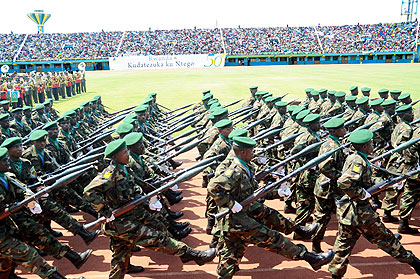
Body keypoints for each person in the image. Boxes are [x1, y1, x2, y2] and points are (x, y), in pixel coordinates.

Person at [84, 139, 217, 279]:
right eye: (123, 153)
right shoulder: (110, 174)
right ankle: (191, 254)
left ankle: (123, 268)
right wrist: (105, 211)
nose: (127, 154)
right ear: (114, 157)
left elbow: (134, 189)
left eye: (126, 151)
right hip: (119, 222)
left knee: (123, 251)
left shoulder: (125, 169)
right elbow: (89, 191)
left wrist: (149, 201)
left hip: (130, 215)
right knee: (157, 238)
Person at [208, 136, 334, 279]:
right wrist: (231, 203)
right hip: (237, 221)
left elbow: (255, 194)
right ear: (242, 152)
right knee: (273, 239)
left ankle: (224, 275)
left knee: (231, 256)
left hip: (237, 220)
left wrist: (277, 192)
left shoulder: (246, 167)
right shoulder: (235, 170)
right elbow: (213, 187)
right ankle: (310, 258)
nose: (253, 153)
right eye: (251, 150)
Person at [328, 129, 420, 278]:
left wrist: (388, 184)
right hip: (362, 215)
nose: (373, 145)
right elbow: (344, 183)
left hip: (348, 214)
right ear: (364, 147)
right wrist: (362, 194)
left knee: (343, 246)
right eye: (371, 143)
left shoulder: (357, 157)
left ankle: (335, 275)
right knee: (387, 240)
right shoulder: (358, 161)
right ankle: (415, 263)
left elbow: (366, 182)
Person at [312, 117, 346, 253]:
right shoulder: (332, 146)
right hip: (326, 188)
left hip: (330, 187)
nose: (344, 130)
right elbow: (324, 167)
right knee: (321, 218)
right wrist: (342, 176)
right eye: (341, 128)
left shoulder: (334, 143)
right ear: (333, 131)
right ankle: (315, 247)